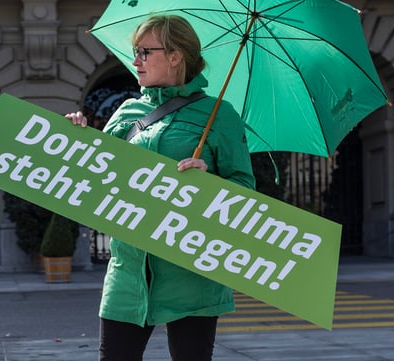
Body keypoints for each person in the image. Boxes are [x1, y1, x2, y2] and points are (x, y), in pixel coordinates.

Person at [66, 15, 256, 361]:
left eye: (144, 51)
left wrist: (208, 183)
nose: (135, 61)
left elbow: (244, 188)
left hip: (192, 275)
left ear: (175, 56)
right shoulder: (127, 111)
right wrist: (77, 141)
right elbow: (96, 175)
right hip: (128, 272)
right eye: (135, 52)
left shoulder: (219, 115)